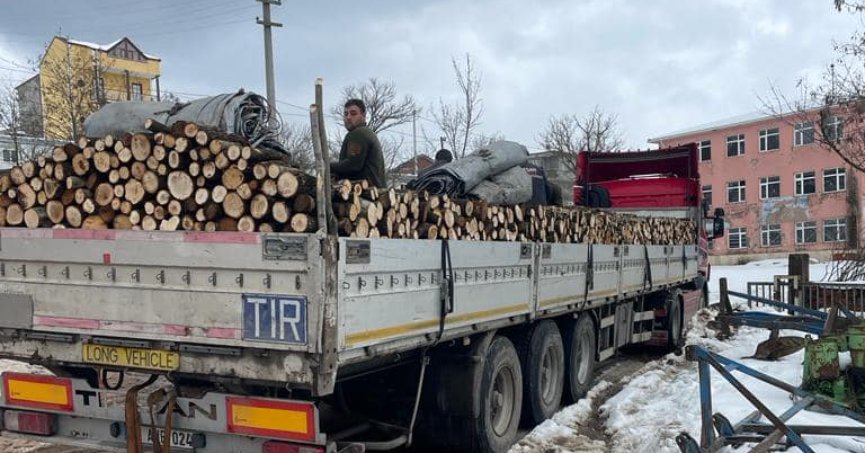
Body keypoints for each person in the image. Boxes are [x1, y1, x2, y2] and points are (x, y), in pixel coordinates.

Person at [330, 98, 387, 188]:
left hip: (366, 192)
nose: (348, 117)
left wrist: (326, 166)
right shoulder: (366, 133)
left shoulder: (359, 133)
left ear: (363, 115)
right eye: (346, 114)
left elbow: (353, 165)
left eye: (353, 114)